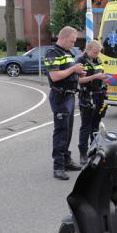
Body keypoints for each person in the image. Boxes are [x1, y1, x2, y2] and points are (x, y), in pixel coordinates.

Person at [44, 26, 88, 180]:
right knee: (61, 132)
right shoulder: (52, 53)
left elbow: (68, 72)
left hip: (69, 97)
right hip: (60, 97)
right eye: (72, 41)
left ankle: (66, 160)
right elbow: (55, 76)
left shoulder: (68, 53)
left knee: (68, 131)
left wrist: (78, 72)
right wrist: (73, 69)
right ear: (63, 38)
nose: (74, 44)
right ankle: (58, 166)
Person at [76, 40, 109, 165]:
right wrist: (95, 77)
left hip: (99, 96)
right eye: (95, 52)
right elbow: (79, 80)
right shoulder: (81, 61)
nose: (98, 54)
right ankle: (83, 153)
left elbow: (101, 75)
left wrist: (105, 78)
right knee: (86, 127)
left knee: (95, 126)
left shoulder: (98, 60)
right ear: (88, 49)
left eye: (99, 52)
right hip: (86, 97)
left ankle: (93, 150)